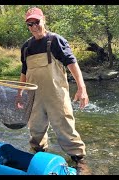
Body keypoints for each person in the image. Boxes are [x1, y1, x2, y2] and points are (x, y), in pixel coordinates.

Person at [16, 7, 91, 175]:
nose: (34, 26)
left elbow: (72, 63)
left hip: (57, 95)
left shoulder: (55, 40)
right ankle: (39, 158)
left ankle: (80, 161)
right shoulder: (26, 47)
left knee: (65, 128)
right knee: (35, 130)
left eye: (37, 22)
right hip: (34, 97)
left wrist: (82, 88)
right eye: (30, 24)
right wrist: (20, 93)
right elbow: (24, 71)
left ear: (44, 20)